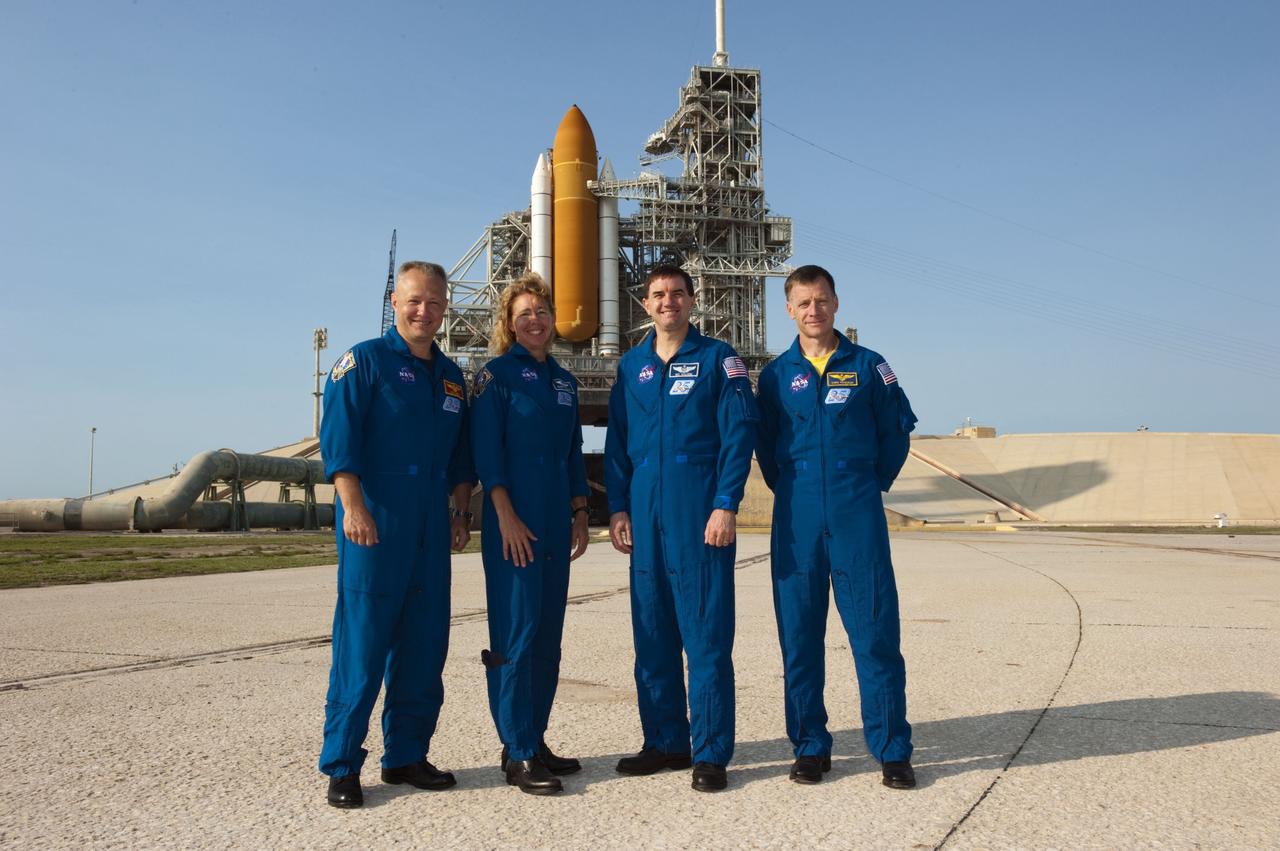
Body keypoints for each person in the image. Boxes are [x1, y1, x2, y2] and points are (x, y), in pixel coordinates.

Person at [318, 261, 476, 808]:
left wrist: (459, 513)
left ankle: (405, 755)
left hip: (431, 528)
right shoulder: (362, 362)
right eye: (414, 301)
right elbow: (340, 443)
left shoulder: (453, 376)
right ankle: (342, 764)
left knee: (424, 645)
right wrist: (353, 508)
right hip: (376, 524)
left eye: (434, 303)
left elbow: (461, 459)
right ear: (394, 300)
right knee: (361, 647)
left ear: (445, 307)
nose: (424, 311)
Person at [755, 264, 918, 789]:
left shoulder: (871, 367)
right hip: (798, 517)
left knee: (874, 634)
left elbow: (897, 433)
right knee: (799, 637)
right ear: (789, 309)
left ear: (836, 303)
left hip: (857, 512)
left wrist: (869, 484)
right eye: (803, 302)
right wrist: (797, 490)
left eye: (822, 300)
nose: (813, 310)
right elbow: (766, 449)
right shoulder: (776, 375)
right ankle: (809, 746)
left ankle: (892, 749)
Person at [604, 264, 758, 793]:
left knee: (706, 635)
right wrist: (618, 507)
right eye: (658, 295)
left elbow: (738, 436)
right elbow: (619, 444)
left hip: (699, 509)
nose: (668, 302)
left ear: (692, 301)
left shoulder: (719, 360)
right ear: (644, 305)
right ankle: (666, 741)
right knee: (652, 634)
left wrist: (725, 503)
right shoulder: (631, 367)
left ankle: (710, 751)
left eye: (677, 294)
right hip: (644, 510)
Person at [469, 272, 591, 795]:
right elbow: (486, 453)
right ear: (509, 323)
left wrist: (581, 511)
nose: (535, 320)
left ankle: (533, 738)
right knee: (517, 633)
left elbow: (571, 453)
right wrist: (503, 513)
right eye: (524, 314)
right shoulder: (494, 378)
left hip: (553, 520)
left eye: (541, 312)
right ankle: (517, 751)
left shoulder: (564, 381)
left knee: (547, 635)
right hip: (511, 523)